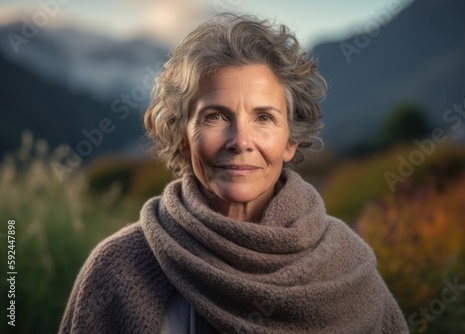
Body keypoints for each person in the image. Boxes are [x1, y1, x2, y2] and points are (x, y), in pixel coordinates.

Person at [59, 14, 408, 334]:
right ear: (182, 138)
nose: (241, 141)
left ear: (290, 140)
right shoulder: (119, 269)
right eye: (215, 116)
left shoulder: (346, 266)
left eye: (264, 118)